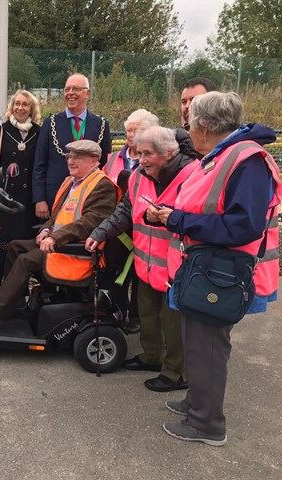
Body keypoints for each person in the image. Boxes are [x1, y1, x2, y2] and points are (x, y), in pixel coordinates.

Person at [151, 92, 281, 446]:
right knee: (197, 342)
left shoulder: (247, 160)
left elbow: (244, 225)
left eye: (189, 123)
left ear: (204, 126)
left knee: (208, 345)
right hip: (206, 265)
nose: (187, 130)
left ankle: (207, 423)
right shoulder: (225, 155)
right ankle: (197, 403)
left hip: (221, 269)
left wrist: (179, 220)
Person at [86, 126, 199, 392]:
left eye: (148, 154)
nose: (142, 159)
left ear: (169, 153)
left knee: (173, 321)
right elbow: (125, 210)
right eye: (139, 153)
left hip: (177, 265)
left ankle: (175, 372)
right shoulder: (139, 176)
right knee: (147, 312)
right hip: (147, 262)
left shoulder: (191, 176)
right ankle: (152, 356)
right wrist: (100, 233)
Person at [0, 140, 118, 333]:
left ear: (94, 160)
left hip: (78, 254)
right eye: (69, 156)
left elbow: (90, 223)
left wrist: (55, 238)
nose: (70, 161)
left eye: (77, 157)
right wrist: (46, 230)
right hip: (61, 245)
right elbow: (57, 216)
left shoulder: (102, 186)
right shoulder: (72, 182)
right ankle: (14, 306)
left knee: (26, 260)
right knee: (14, 247)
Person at [102, 109, 160, 333]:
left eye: (136, 130)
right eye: (128, 130)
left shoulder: (156, 160)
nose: (130, 134)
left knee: (140, 274)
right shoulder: (112, 159)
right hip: (118, 226)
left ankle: (137, 316)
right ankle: (117, 308)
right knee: (115, 270)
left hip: (145, 227)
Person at [32, 73, 111, 222]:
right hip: (55, 195)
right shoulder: (51, 123)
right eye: (67, 89)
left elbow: (105, 164)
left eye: (76, 89)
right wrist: (39, 199)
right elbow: (39, 164)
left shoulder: (101, 124)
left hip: (89, 196)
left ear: (87, 93)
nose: (70, 93)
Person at [0, 89, 41, 294]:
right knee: (4, 248)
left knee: (24, 248)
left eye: (25, 104)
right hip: (6, 201)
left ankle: (20, 292)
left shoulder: (39, 132)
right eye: (17, 104)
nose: (20, 107)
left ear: (31, 109)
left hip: (29, 201)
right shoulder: (0, 131)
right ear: (11, 108)